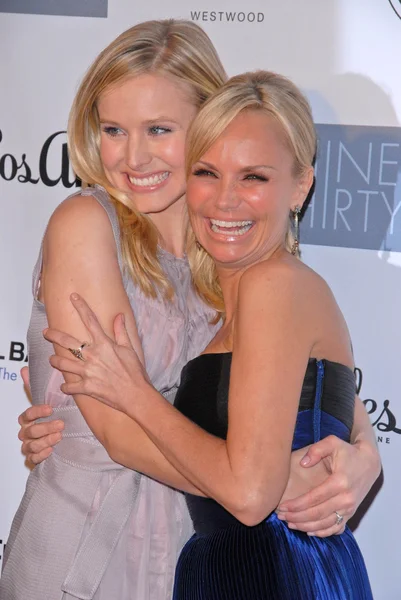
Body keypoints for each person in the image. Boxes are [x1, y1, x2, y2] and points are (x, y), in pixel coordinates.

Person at [4, 20, 379, 600]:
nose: (133, 156)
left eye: (159, 129)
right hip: (82, 554)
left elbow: (306, 382)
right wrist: (266, 489)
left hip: (189, 555)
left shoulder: (229, 257)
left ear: (208, 125)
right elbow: (119, 433)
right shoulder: (86, 224)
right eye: (112, 129)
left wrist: (363, 451)